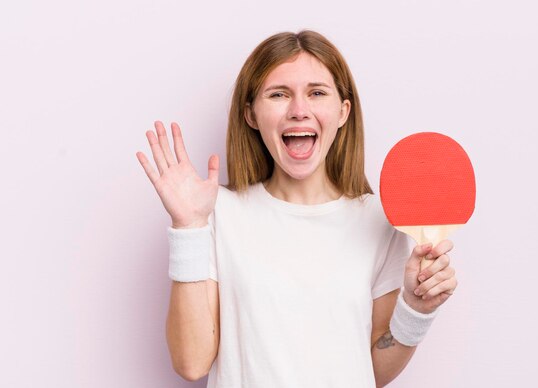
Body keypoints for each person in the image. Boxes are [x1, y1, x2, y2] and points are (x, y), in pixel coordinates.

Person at [136, 30, 458, 388]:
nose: (299, 111)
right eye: (278, 95)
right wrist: (189, 226)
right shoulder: (216, 213)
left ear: (342, 112)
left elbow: (373, 370)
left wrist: (415, 310)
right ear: (251, 115)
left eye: (317, 93)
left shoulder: (377, 219)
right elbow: (191, 363)